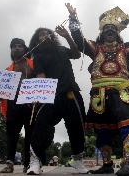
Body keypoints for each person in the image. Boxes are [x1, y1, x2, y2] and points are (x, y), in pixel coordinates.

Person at [66, 3, 129, 176]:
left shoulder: (126, 49)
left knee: (128, 124)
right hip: (98, 94)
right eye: (106, 28)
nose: (109, 30)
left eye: (112, 28)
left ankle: (128, 163)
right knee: (101, 129)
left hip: (120, 92)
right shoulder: (95, 48)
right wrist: (73, 18)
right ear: (101, 32)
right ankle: (107, 165)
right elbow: (78, 39)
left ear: (118, 33)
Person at [26, 26, 88, 175]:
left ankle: (78, 160)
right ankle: (35, 161)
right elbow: (41, 76)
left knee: (77, 126)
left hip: (70, 92)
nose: (45, 35)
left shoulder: (61, 49)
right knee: (40, 124)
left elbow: (77, 54)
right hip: (51, 94)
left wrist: (67, 36)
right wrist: (39, 94)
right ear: (37, 39)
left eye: (47, 33)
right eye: (41, 35)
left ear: (52, 36)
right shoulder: (38, 55)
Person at [0, 38, 35, 173]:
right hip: (12, 104)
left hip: (29, 104)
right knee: (11, 135)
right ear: (11, 50)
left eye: (20, 46)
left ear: (25, 49)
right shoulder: (7, 70)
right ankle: (9, 164)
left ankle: (28, 164)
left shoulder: (33, 64)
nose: (17, 48)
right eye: (14, 46)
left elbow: (41, 80)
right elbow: (3, 91)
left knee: (30, 135)